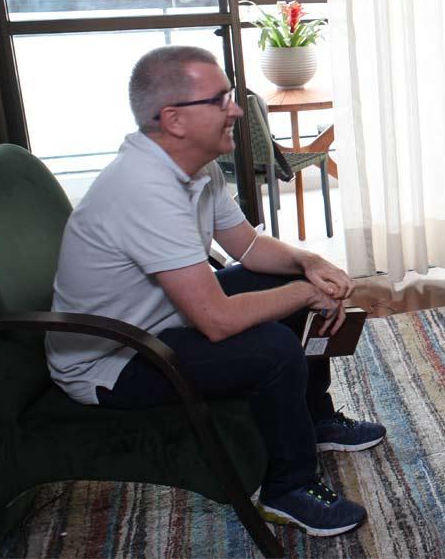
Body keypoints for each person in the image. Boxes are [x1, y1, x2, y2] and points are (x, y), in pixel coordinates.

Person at [47, 46, 386, 537]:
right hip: (112, 360)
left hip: (163, 319)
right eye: (220, 99)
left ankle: (316, 421)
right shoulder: (144, 190)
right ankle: (287, 488)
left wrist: (307, 264)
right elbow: (217, 320)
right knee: (272, 347)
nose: (235, 109)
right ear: (174, 119)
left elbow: (247, 246)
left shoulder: (192, 167)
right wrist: (306, 295)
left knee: (284, 281)